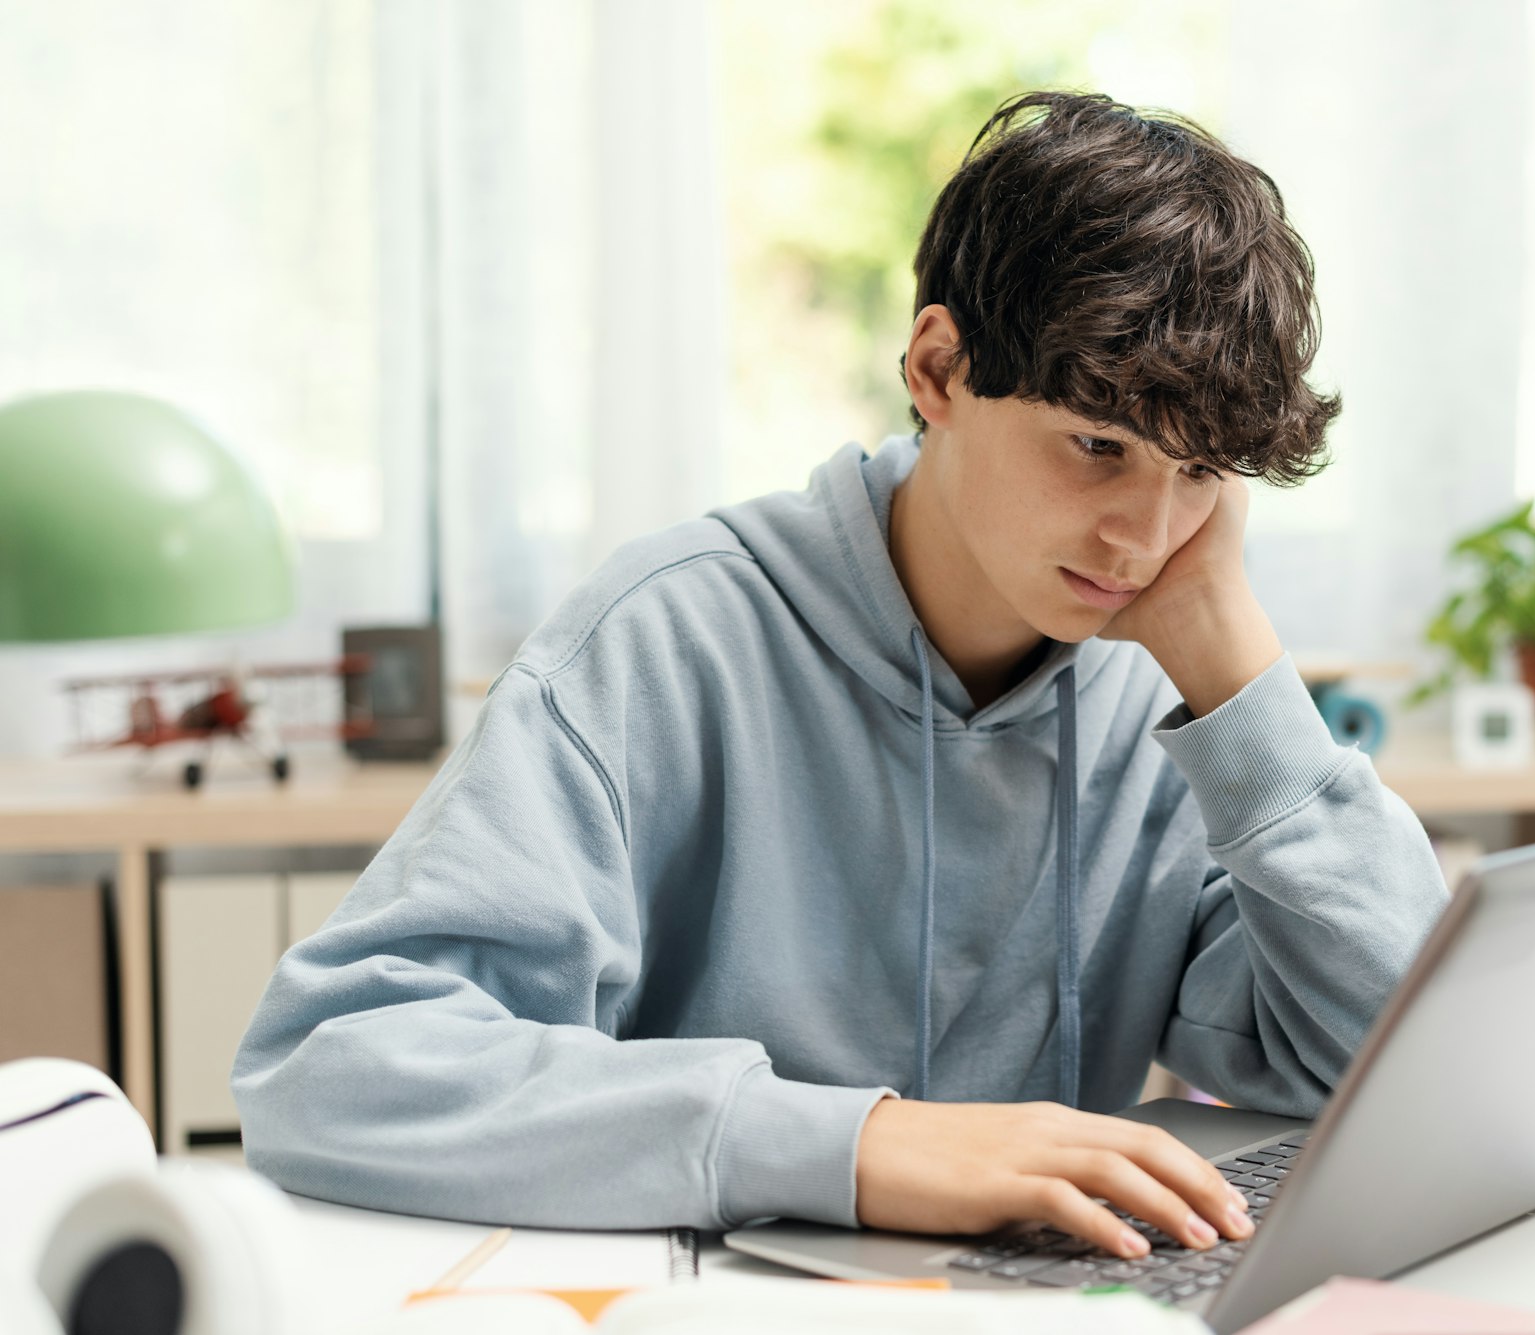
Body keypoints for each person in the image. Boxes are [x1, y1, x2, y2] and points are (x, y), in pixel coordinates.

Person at [233, 91, 1447, 1265]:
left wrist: (1236, 665)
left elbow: (1401, 1064)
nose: (1143, 537)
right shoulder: (667, 639)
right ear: (936, 369)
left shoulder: (1161, 694)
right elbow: (335, 1066)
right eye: (1097, 447)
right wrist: (856, 1146)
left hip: (1031, 1308)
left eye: (1198, 475)